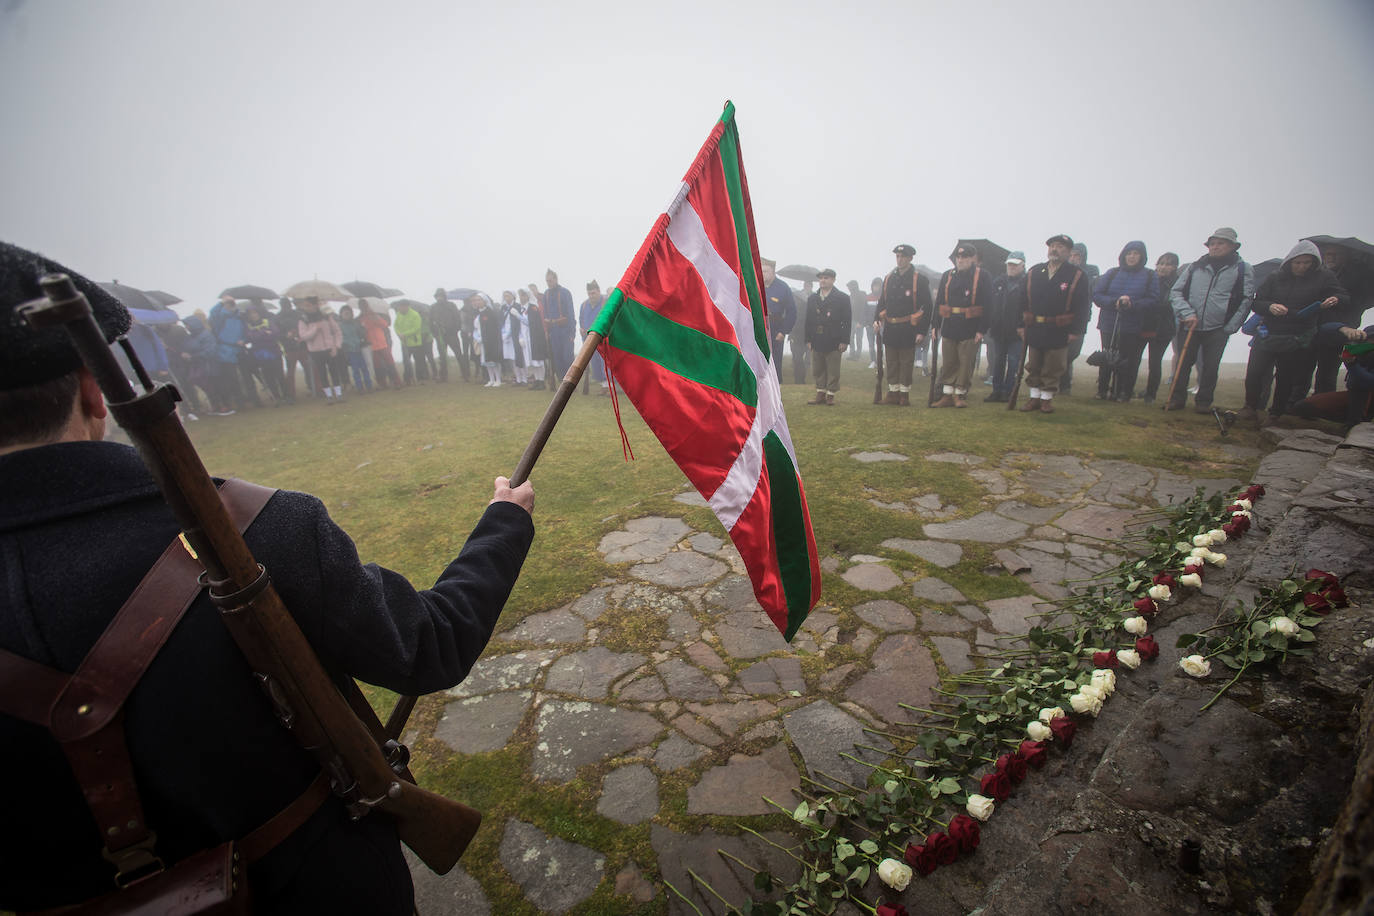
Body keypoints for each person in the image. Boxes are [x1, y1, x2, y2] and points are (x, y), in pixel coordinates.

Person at [0, 241, 535, 914]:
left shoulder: (254, 528)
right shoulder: (263, 527)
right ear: (92, 390)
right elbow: (428, 644)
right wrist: (505, 522)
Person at [1239, 240, 1347, 424]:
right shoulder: (1275, 277)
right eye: (1297, 262)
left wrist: (1335, 299)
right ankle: (1250, 407)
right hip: (1268, 332)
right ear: (1290, 261)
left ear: (1314, 262)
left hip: (1298, 335)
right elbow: (1257, 302)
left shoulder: (1324, 278)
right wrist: (1270, 306)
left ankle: (1276, 413)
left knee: (1286, 376)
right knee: (1255, 372)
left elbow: (1343, 296)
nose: (1302, 267)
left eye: (1307, 263)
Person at [1167, 227, 1254, 413]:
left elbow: (1247, 299)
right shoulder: (1195, 266)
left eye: (1220, 243)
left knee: (1210, 366)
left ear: (1232, 246)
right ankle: (1176, 399)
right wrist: (1186, 313)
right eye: (1212, 243)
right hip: (1189, 324)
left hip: (1218, 328)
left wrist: (1230, 327)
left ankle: (1203, 403)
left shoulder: (1242, 269)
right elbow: (1176, 292)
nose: (1215, 247)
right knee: (1183, 363)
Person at [1018, 234, 1091, 414]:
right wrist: (1020, 324)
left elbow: (1083, 305)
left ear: (1068, 251)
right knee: (1034, 364)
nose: (1055, 250)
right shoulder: (1035, 272)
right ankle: (1034, 397)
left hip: (1059, 328)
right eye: (1052, 246)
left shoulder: (1077, 275)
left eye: (1060, 247)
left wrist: (1077, 331)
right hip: (1035, 326)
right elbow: (1021, 299)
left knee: (1053, 365)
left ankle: (1046, 400)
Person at [1090, 241, 1159, 402]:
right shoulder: (1112, 273)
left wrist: (1132, 303)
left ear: (1142, 256)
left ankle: (1123, 391)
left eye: (1136, 253)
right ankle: (1102, 389)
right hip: (1108, 322)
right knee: (1107, 356)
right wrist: (1114, 301)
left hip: (1133, 324)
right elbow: (1097, 294)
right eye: (1129, 253)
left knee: (1127, 359)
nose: (1132, 257)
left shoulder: (1149, 275)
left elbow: (1153, 299)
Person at [1302, 242, 1374, 397]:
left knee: (1328, 368)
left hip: (1342, 329)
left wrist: (1341, 303)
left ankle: (1321, 405)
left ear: (1346, 256)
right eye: (1328, 254)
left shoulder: (1359, 277)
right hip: (1315, 326)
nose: (1331, 257)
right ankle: (1295, 404)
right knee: (1303, 365)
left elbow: (1364, 301)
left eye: (1336, 254)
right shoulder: (1318, 274)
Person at [932, 242, 992, 408]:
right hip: (950, 324)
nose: (960, 260)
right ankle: (946, 394)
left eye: (964, 257)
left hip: (970, 326)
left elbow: (988, 304)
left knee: (965, 362)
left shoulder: (982, 276)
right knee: (949, 362)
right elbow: (939, 303)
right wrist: (935, 325)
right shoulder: (948, 275)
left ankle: (959, 394)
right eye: (958, 257)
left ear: (973, 258)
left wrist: (981, 329)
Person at [875, 243, 931, 406]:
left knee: (906, 362)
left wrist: (921, 331)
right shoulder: (889, 278)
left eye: (903, 257)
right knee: (891, 361)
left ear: (910, 258)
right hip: (891, 328)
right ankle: (892, 392)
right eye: (898, 257)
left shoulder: (919, 279)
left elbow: (927, 307)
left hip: (908, 328)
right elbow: (882, 302)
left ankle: (904, 394)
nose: (899, 260)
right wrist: (877, 320)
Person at [1293, 322, 1374, 431]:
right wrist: (1344, 329)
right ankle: (1352, 421)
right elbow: (1325, 329)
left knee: (1360, 393)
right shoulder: (1357, 350)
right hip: (1353, 396)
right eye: (1369, 340)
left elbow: (1369, 382)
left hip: (1366, 397)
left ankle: (1354, 423)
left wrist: (1352, 364)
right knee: (1303, 407)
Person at [803, 268, 851, 406]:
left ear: (833, 280)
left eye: (826, 278)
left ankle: (830, 394)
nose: (823, 281)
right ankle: (820, 392)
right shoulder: (813, 298)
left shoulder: (842, 298)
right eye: (821, 278)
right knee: (818, 368)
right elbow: (808, 320)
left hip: (834, 338)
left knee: (833, 368)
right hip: (817, 338)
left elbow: (847, 321)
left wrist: (844, 340)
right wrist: (808, 339)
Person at [1058, 242, 1100, 395]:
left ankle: (1064, 381)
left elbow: (1093, 291)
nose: (1073, 258)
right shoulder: (1062, 271)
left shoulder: (1091, 271)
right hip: (1062, 317)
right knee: (1060, 351)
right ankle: (1063, 384)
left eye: (1077, 256)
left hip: (1080, 318)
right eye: (1071, 255)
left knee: (1073, 352)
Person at [985, 251, 1026, 403]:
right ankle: (996, 390)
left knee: (1014, 362)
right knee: (998, 361)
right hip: (998, 329)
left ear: (1022, 265)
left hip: (1017, 330)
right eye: (1009, 264)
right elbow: (991, 304)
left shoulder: (1026, 282)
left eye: (1015, 264)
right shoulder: (999, 282)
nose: (1011, 267)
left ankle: (1008, 391)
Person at [1140, 252, 1180, 403]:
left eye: (1168, 264)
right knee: (1134, 359)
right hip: (1144, 324)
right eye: (1161, 263)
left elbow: (1170, 306)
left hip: (1163, 328)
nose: (1163, 267)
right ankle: (1127, 389)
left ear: (1174, 267)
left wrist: (1148, 304)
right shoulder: (1148, 279)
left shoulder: (1177, 284)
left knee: (1155, 362)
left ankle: (1151, 394)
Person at [209, 294, 256, 409]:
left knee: (247, 376)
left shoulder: (240, 316)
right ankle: (239, 402)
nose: (231, 306)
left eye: (232, 304)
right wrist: (222, 302)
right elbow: (213, 313)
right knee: (232, 378)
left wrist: (244, 340)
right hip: (226, 351)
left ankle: (254, 399)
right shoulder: (219, 318)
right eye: (229, 304)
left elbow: (246, 331)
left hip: (240, 349)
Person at [297, 297, 347, 404]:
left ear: (315, 305)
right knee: (322, 373)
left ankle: (338, 394)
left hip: (330, 348)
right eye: (305, 305)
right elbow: (304, 336)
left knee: (334, 371)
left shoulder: (326, 317)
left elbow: (337, 331)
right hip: (315, 351)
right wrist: (315, 329)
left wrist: (337, 346)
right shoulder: (303, 320)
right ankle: (328, 396)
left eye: (308, 305)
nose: (306, 307)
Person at [243, 303, 287, 404]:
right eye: (250, 313)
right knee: (269, 377)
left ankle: (287, 396)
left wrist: (259, 335)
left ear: (259, 313)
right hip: (260, 355)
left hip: (274, 352)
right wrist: (264, 333)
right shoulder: (248, 326)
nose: (253, 315)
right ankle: (277, 397)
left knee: (280, 375)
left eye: (254, 312)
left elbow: (275, 333)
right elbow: (250, 337)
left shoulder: (268, 322)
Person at [761, 258, 796, 382]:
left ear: (773, 272)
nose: (762, 273)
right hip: (759, 328)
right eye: (761, 270)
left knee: (775, 360)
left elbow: (792, 312)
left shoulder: (782, 287)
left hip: (776, 328)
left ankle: (776, 385)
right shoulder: (756, 285)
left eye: (765, 271)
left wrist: (784, 331)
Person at [358, 298, 400, 389]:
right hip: (371, 345)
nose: (364, 308)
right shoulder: (360, 319)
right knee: (377, 366)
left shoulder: (375, 315)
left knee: (390, 363)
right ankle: (382, 383)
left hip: (382, 343)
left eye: (365, 306)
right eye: (361, 306)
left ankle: (396, 381)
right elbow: (360, 332)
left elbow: (385, 324)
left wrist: (375, 317)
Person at [542, 270, 576, 380]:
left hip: (565, 330)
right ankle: (562, 380)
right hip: (553, 331)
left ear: (556, 279)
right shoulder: (546, 294)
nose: (548, 283)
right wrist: (547, 331)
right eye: (547, 281)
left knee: (567, 357)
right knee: (557, 358)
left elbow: (571, 314)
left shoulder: (565, 292)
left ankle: (571, 380)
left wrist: (572, 333)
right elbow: (545, 314)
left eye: (550, 280)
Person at [579, 280, 609, 396]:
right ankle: (603, 386)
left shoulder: (605, 302)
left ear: (599, 291)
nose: (591, 296)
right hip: (589, 340)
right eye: (589, 293)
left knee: (605, 363)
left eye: (593, 293)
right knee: (595, 363)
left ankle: (609, 387)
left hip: (603, 339)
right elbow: (581, 319)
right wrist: (582, 329)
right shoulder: (584, 305)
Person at [337, 303, 374, 394]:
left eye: (349, 313)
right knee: (355, 369)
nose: (347, 315)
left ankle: (369, 386)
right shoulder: (340, 326)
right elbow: (340, 338)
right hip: (350, 351)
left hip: (359, 349)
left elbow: (362, 334)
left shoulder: (356, 323)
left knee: (364, 368)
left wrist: (363, 328)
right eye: (345, 313)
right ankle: (359, 387)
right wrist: (345, 345)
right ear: (341, 315)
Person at [430, 288, 465, 383]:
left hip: (452, 334)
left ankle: (465, 374)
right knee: (442, 356)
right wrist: (435, 334)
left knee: (458, 354)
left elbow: (458, 319)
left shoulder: (451, 305)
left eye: (441, 296)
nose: (439, 298)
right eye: (437, 296)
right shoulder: (433, 307)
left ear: (444, 296)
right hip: (440, 336)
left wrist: (454, 330)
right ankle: (443, 376)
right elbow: (430, 322)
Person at [519, 288, 549, 390]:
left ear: (528, 296)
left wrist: (519, 317)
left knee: (538, 361)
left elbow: (532, 323)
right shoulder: (521, 309)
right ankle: (536, 380)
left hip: (534, 338)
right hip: (525, 338)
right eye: (520, 295)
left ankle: (541, 381)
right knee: (531, 361)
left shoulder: (533, 308)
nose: (522, 297)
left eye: (523, 295)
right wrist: (520, 337)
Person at [393, 299, 427, 385]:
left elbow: (416, 328)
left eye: (401, 306)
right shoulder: (398, 314)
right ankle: (407, 379)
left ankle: (420, 379)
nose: (400, 308)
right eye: (399, 307)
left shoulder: (415, 315)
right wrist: (399, 334)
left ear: (406, 306)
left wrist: (404, 334)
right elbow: (395, 326)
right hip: (404, 342)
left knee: (418, 361)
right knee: (406, 361)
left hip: (415, 342)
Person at [791, 278, 813, 384]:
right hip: (796, 332)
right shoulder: (796, 297)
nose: (807, 287)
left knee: (806, 356)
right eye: (806, 285)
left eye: (809, 285)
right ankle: (798, 379)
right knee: (797, 358)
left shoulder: (814, 298)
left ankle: (802, 377)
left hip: (808, 333)